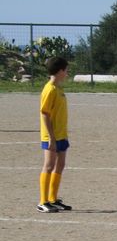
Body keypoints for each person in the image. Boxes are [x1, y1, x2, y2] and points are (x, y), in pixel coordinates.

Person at [36, 56, 73, 213]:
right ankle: (43, 201)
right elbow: (44, 113)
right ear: (59, 71)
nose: (67, 72)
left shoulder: (58, 88)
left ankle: (53, 199)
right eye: (66, 70)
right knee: (49, 165)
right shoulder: (50, 89)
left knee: (60, 164)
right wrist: (51, 137)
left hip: (61, 133)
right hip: (51, 135)